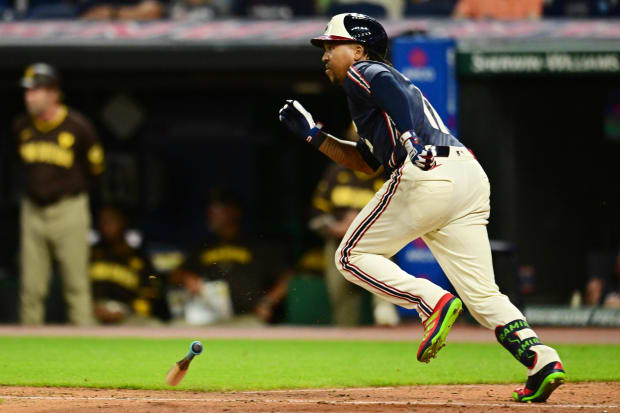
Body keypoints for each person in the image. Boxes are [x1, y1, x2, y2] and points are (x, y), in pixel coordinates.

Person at [278, 13, 565, 403]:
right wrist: (315, 137)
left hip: (428, 168)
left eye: (332, 45)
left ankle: (430, 300)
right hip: (466, 175)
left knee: (350, 255)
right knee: (483, 294)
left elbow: (389, 88)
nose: (325, 54)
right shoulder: (367, 95)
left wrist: (413, 141)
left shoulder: (366, 71)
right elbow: (367, 162)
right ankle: (541, 359)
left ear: (359, 49)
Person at [14, 62, 104, 325]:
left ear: (53, 92)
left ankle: (87, 348)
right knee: (31, 287)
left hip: (69, 208)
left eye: (35, 90)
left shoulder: (78, 126)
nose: (29, 96)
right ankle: (27, 351)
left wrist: (73, 193)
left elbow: (95, 169)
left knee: (76, 285)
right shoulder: (21, 126)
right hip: (32, 210)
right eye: (27, 91)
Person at [309, 123, 399, 326]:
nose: (362, 145)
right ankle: (346, 341)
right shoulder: (335, 173)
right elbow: (315, 215)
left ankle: (386, 317)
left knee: (384, 291)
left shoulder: (387, 172)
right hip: (339, 243)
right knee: (341, 301)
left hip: (375, 243)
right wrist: (335, 227)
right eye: (356, 139)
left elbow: (398, 217)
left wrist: (360, 224)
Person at [169, 190, 292, 326]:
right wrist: (187, 278)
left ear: (234, 211)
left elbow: (288, 278)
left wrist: (267, 302)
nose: (210, 214)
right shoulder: (203, 247)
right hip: (207, 318)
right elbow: (174, 274)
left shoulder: (258, 245)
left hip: (247, 319)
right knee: (176, 326)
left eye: (216, 209)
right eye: (209, 209)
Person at [90, 206, 167, 324]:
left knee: (154, 325)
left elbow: (151, 295)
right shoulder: (89, 255)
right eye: (102, 221)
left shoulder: (139, 259)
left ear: (123, 222)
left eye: (111, 220)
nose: (106, 225)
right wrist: (93, 308)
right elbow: (75, 291)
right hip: (93, 312)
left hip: (127, 314)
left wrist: (125, 311)